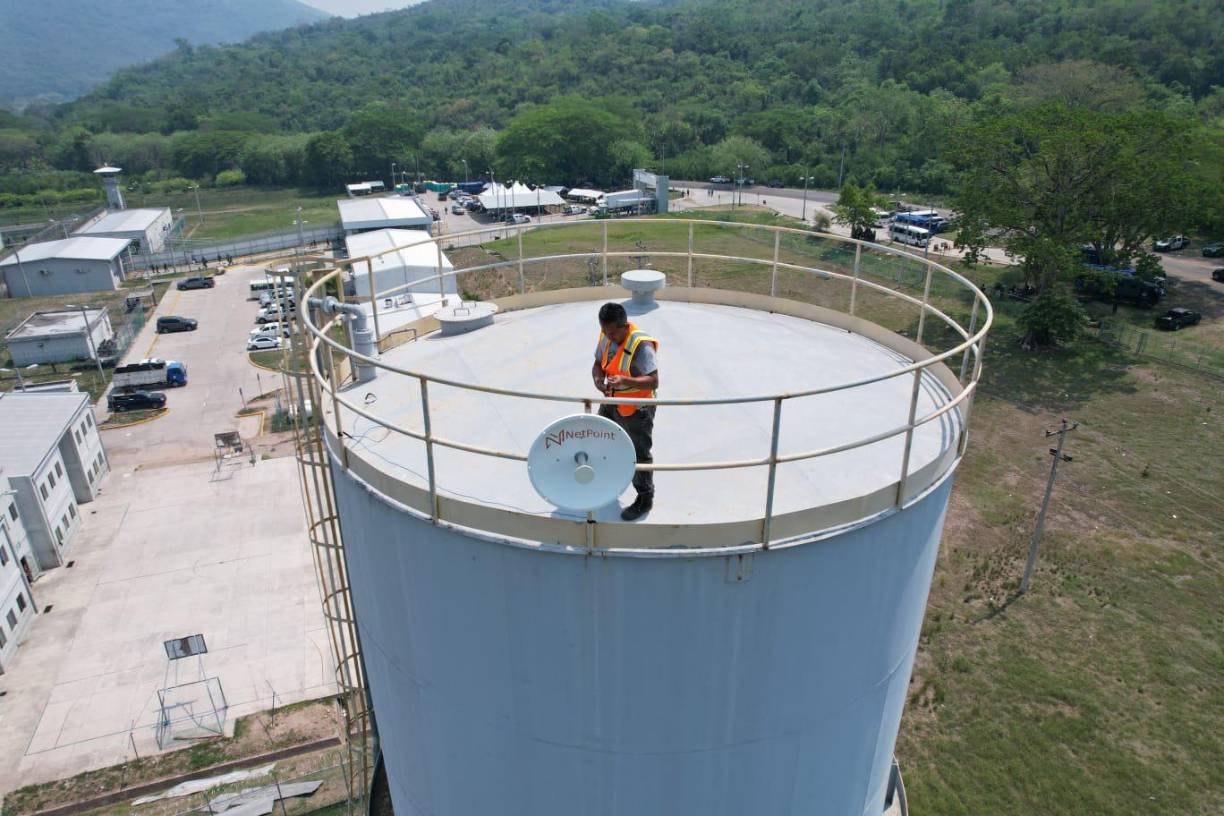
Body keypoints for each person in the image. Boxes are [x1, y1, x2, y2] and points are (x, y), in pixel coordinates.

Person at [591, 302, 659, 521]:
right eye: (605, 332)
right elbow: (598, 363)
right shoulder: (606, 336)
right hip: (612, 401)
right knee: (601, 437)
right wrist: (598, 379)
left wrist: (625, 381)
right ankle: (607, 479)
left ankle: (645, 498)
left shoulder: (641, 345)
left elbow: (653, 381)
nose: (608, 337)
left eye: (612, 333)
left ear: (624, 325)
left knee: (638, 454)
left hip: (637, 408)